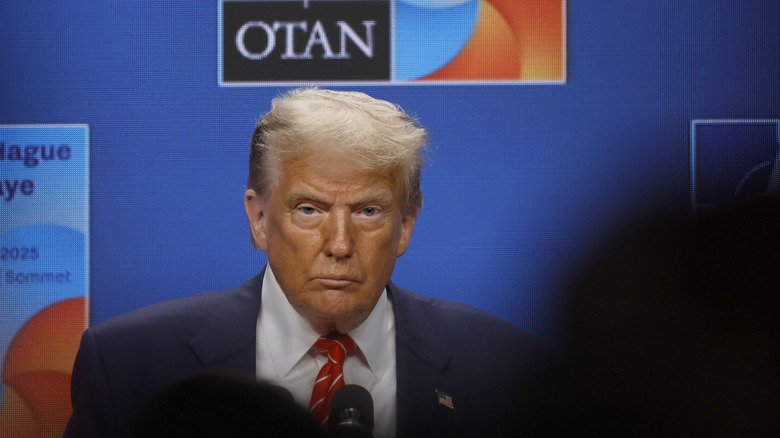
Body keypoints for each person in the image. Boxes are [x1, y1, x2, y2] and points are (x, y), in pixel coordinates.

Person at [64, 88, 547, 438]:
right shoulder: (130, 365)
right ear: (258, 218)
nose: (339, 243)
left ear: (405, 225)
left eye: (369, 211)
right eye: (309, 209)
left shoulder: (506, 369)